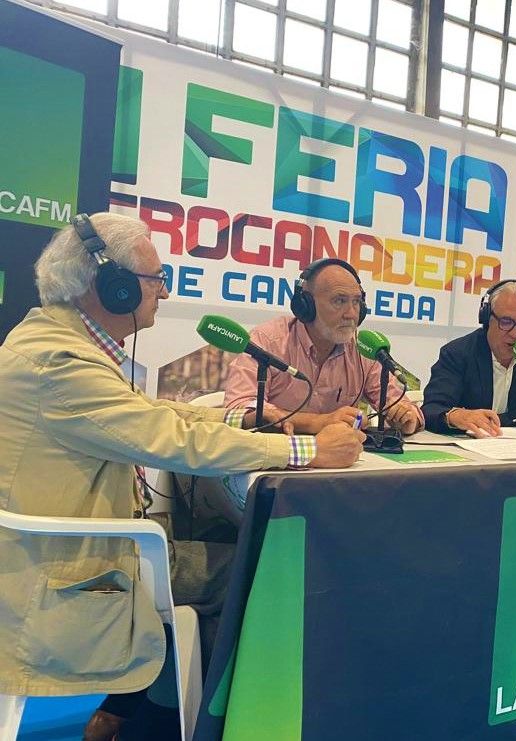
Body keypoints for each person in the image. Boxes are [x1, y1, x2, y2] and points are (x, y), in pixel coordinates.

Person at [0, 214, 364, 740]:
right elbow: (174, 441)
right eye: (156, 280)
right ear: (113, 285)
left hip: (80, 549)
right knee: (258, 569)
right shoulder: (61, 363)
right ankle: (201, 722)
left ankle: (157, 717)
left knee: (235, 560)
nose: (165, 293)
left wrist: (247, 419)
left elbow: (154, 413)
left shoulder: (55, 343)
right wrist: (308, 451)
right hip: (69, 570)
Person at [223, 258, 423, 435]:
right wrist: (318, 422)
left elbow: (401, 404)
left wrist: (406, 417)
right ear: (305, 305)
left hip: (342, 458)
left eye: (356, 302)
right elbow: (238, 410)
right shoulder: (268, 341)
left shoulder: (363, 349)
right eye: (339, 301)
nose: (351, 314)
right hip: (279, 456)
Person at [422, 279, 516, 436]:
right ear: (486, 319)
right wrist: (456, 416)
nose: (515, 334)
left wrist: (494, 422)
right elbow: (431, 410)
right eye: (506, 322)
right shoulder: (457, 353)